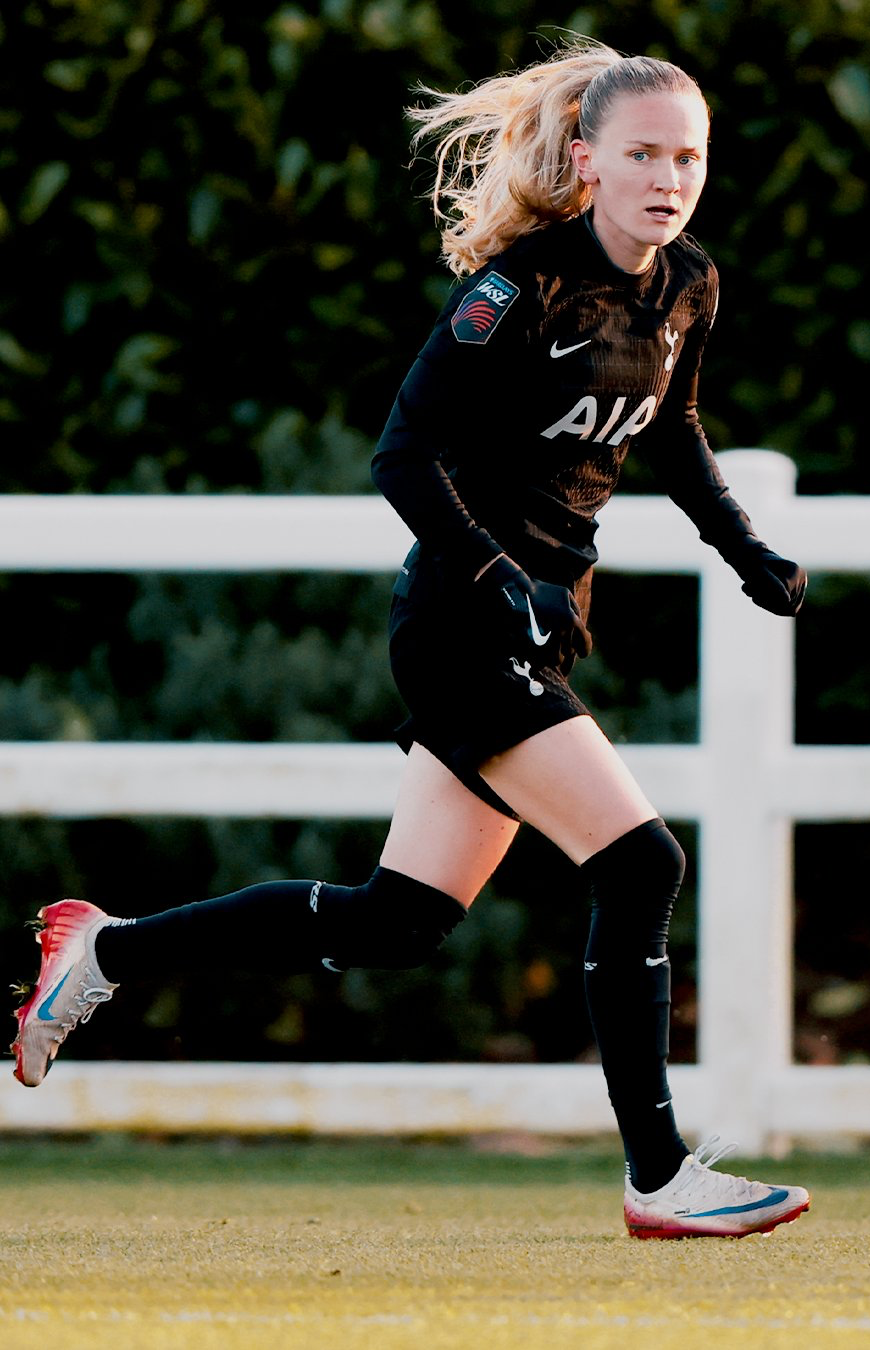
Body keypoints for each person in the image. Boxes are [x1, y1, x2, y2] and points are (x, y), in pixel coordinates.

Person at [11, 39, 810, 1240]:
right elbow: (402, 455)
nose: (668, 175)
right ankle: (660, 1177)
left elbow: (675, 435)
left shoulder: (686, 281)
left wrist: (745, 552)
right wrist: (499, 577)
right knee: (643, 865)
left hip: (537, 627)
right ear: (588, 161)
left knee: (398, 918)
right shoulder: (518, 288)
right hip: (458, 622)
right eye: (643, 152)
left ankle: (106, 951)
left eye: (687, 155)